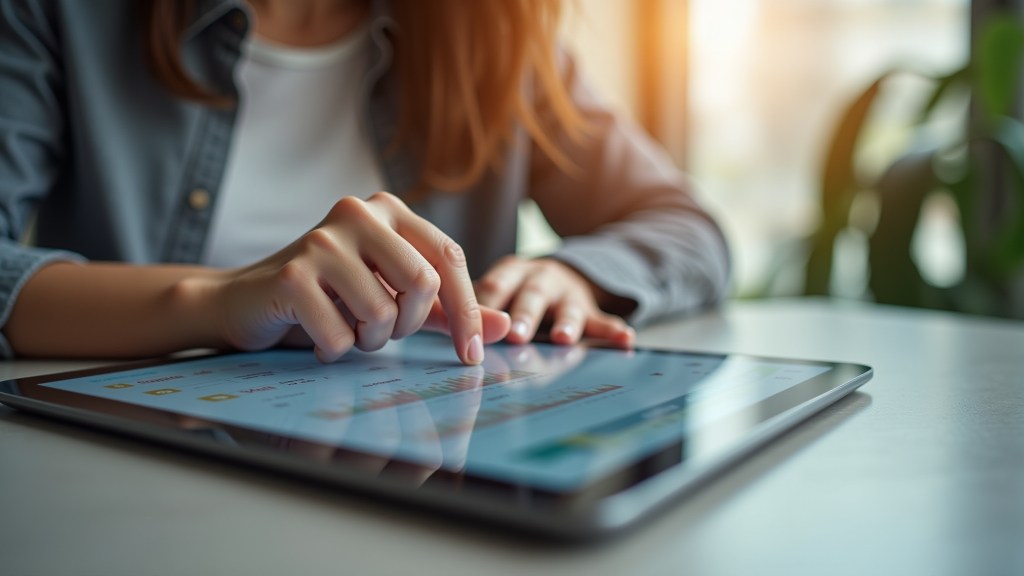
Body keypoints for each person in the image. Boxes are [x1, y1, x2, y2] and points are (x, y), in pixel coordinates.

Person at [0, 0, 730, 366]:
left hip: (429, 475)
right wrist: (218, 300)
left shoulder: (495, 32)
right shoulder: (58, 15)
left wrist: (575, 272)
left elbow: (685, 226)